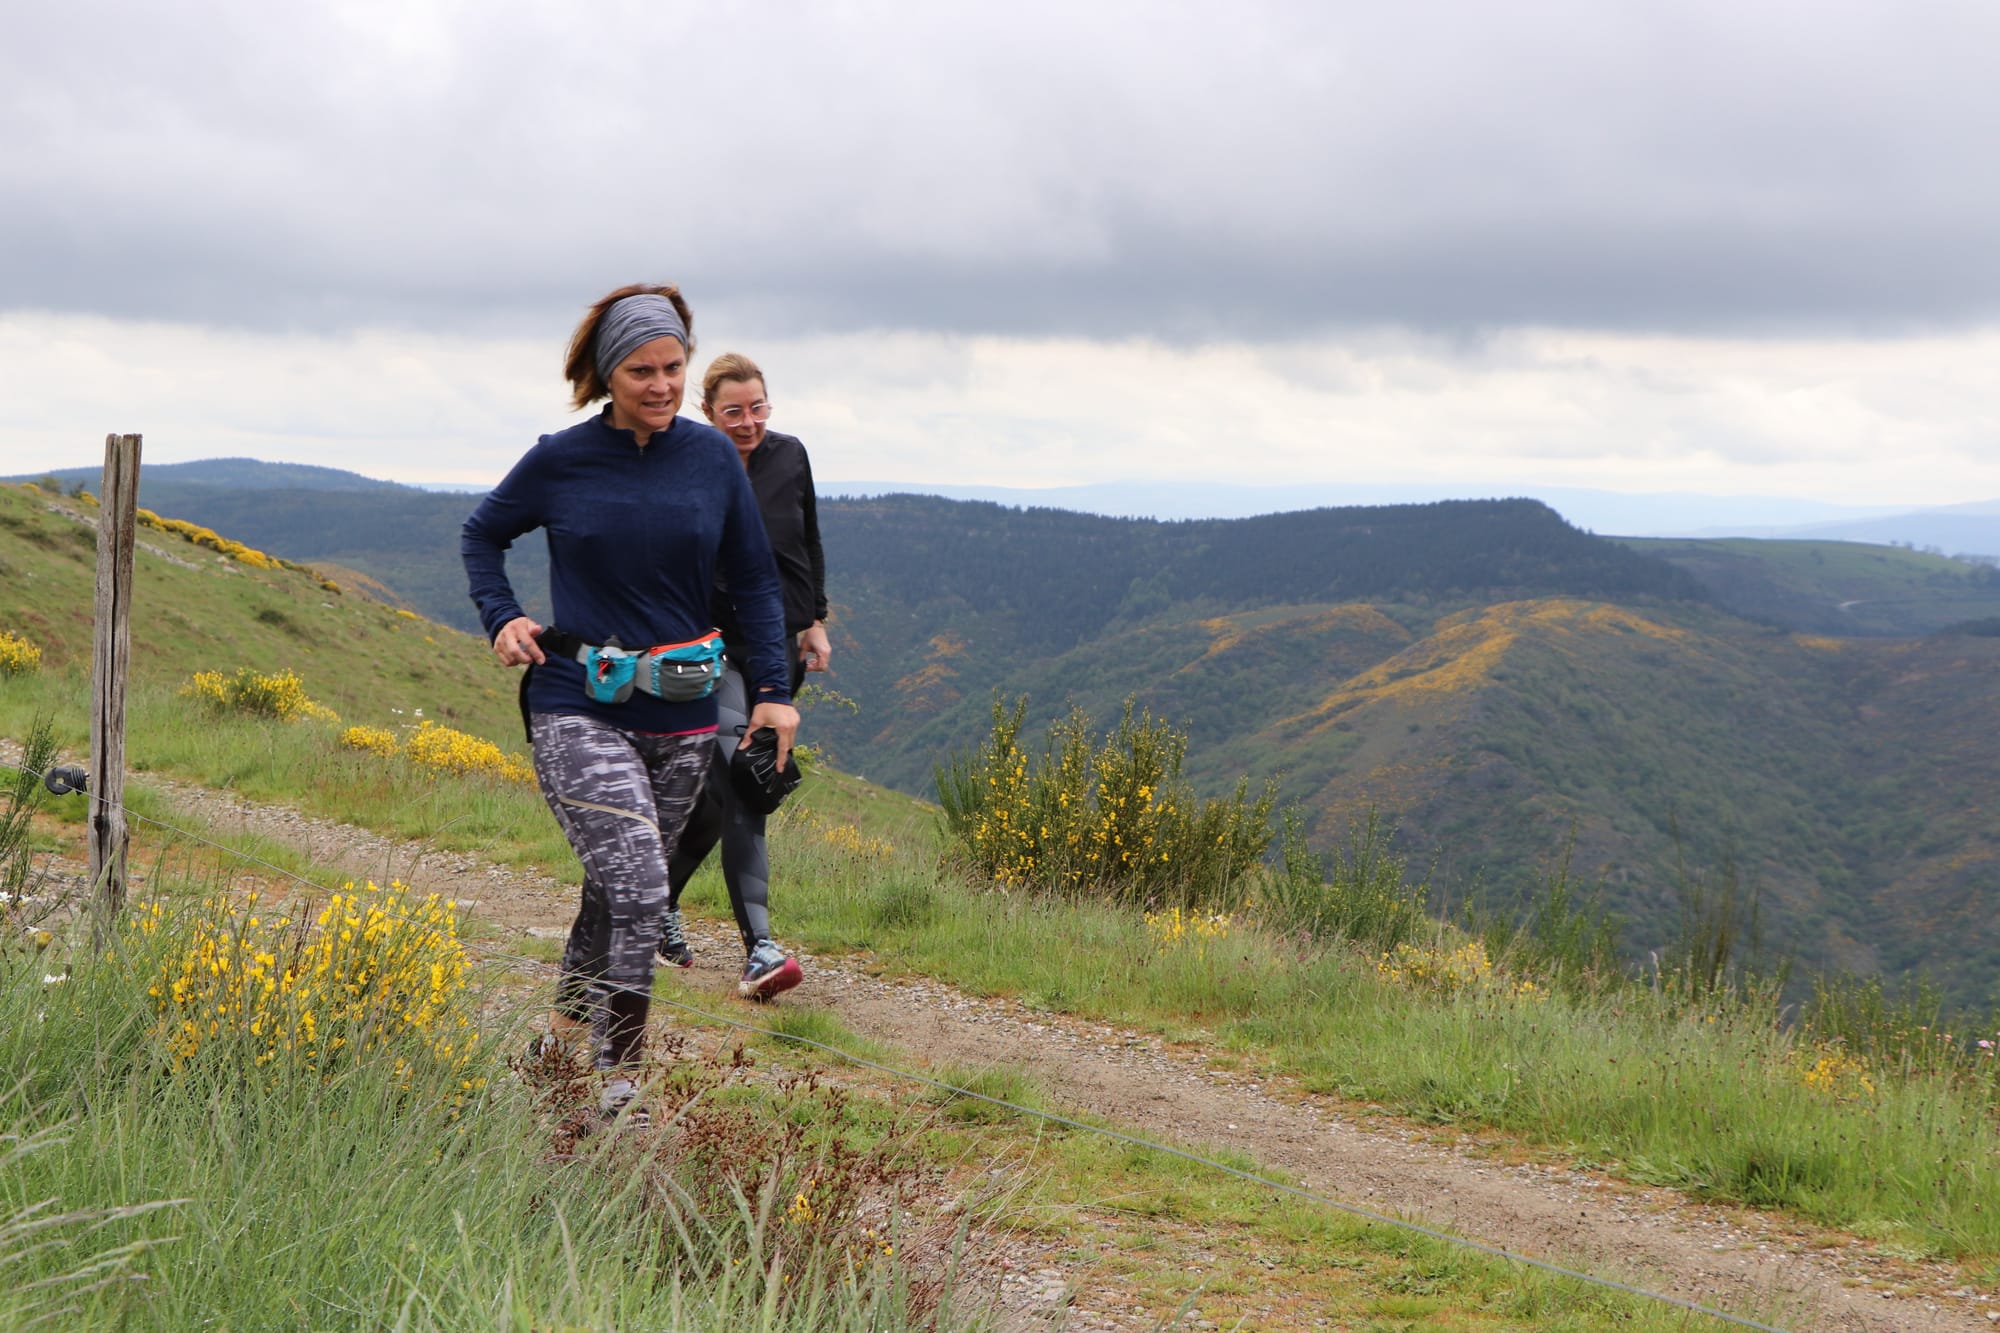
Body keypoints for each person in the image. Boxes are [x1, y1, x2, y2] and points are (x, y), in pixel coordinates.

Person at [461, 283, 797, 1125]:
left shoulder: (712, 458)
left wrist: (773, 694)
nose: (661, 384)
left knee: (614, 890)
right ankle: (619, 1087)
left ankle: (557, 1047)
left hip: (682, 714)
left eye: (673, 367)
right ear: (608, 374)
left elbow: (756, 580)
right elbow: (482, 534)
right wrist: (502, 616)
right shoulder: (561, 459)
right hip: (575, 699)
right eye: (642, 370)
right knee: (645, 883)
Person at [656, 353, 831, 1000]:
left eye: (758, 407)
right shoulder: (688, 464)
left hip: (778, 648)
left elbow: (808, 541)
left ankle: (655, 903)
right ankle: (760, 950)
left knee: (717, 798)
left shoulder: (791, 456)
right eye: (733, 411)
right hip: (711, 649)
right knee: (748, 781)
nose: (748, 421)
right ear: (707, 412)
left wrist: (815, 620)